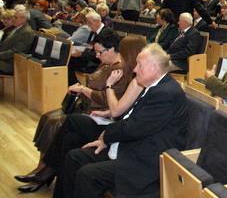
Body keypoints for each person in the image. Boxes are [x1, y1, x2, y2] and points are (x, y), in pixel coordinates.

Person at [14, 34, 143, 193]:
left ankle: (44, 171)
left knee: (65, 122)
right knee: (65, 135)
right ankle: (45, 173)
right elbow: (124, 107)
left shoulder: (128, 75)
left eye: (101, 52)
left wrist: (97, 89)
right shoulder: (114, 68)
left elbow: (117, 108)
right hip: (102, 114)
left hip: (108, 122)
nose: (97, 55)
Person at [55, 43, 188, 198]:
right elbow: (130, 120)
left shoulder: (165, 94)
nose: (135, 69)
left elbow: (133, 128)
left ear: (154, 68)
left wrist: (106, 136)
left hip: (146, 160)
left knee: (87, 174)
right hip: (132, 145)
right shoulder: (154, 85)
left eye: (139, 65)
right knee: (74, 156)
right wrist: (108, 137)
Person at [0, 7, 35, 74]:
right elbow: (5, 44)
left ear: (23, 19)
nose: (13, 19)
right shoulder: (17, 28)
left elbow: (15, 51)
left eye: (15, 18)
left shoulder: (27, 32)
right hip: (4, 59)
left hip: (10, 63)